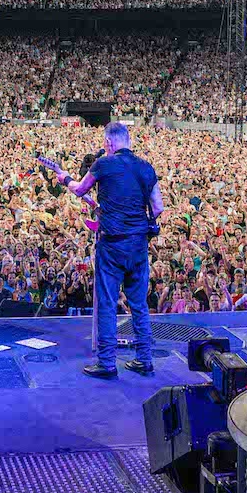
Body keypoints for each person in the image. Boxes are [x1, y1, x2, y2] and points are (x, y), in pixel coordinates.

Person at [57, 122, 164, 379]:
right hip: (138, 245)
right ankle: (144, 359)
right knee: (139, 303)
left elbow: (81, 189)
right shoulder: (146, 168)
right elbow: (158, 207)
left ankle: (106, 363)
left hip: (112, 244)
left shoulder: (103, 164)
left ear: (109, 143)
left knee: (106, 302)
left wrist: (65, 178)